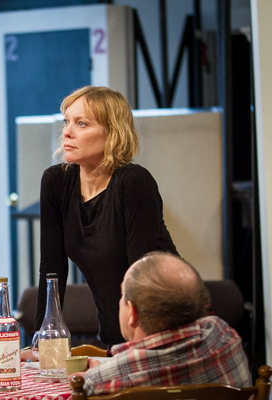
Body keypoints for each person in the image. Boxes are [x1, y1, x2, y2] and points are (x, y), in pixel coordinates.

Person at [35, 86, 178, 346]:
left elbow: (140, 278)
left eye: (82, 124)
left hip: (167, 329)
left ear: (112, 133)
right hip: (116, 337)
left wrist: (134, 347)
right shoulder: (56, 182)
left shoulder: (134, 182)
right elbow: (52, 271)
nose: (67, 132)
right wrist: (42, 340)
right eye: (67, 121)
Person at [69, 252, 252, 395]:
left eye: (122, 294)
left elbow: (137, 368)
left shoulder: (97, 382)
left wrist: (99, 373)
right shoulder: (224, 336)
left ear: (132, 312)